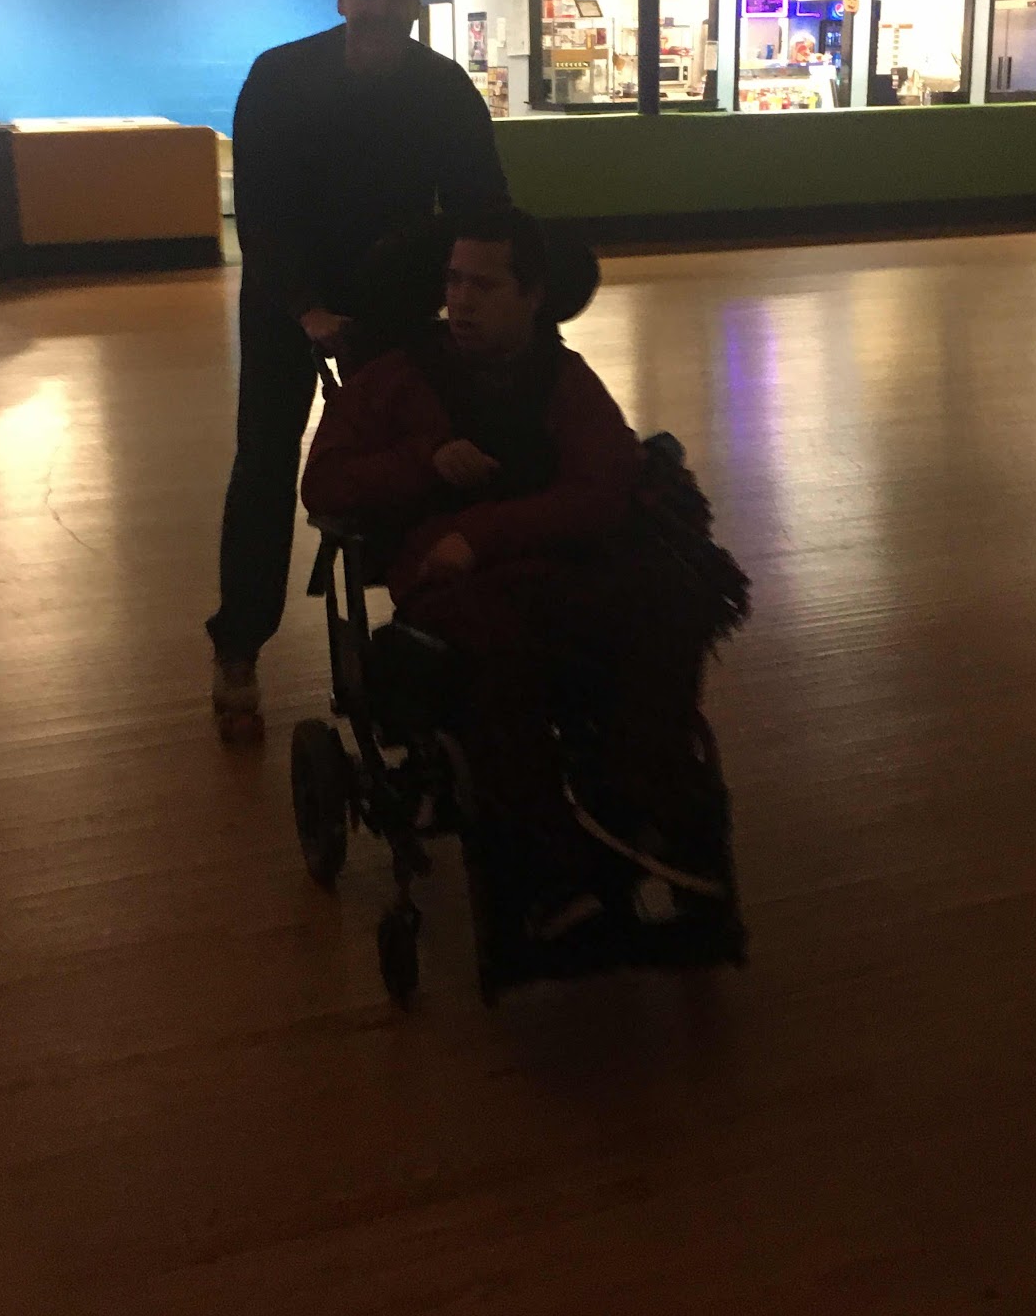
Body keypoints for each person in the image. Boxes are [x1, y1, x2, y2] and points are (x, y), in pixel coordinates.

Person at [301, 208, 730, 936]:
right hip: (454, 587)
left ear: (533, 296)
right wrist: (423, 462)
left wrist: (480, 532)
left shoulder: (564, 381)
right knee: (498, 650)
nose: (461, 302)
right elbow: (324, 485)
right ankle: (548, 870)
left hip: (553, 568)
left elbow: (603, 490)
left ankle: (646, 804)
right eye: (453, 282)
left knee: (667, 605)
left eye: (484, 286)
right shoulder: (398, 379)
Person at [207, 0, 508, 731]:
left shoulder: (444, 91)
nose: (376, 8)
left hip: (393, 304)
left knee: (415, 461)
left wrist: (490, 296)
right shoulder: (279, 77)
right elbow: (261, 214)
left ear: (415, 1)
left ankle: (420, 627)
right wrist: (306, 310)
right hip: (285, 302)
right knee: (265, 463)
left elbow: (482, 207)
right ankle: (239, 647)